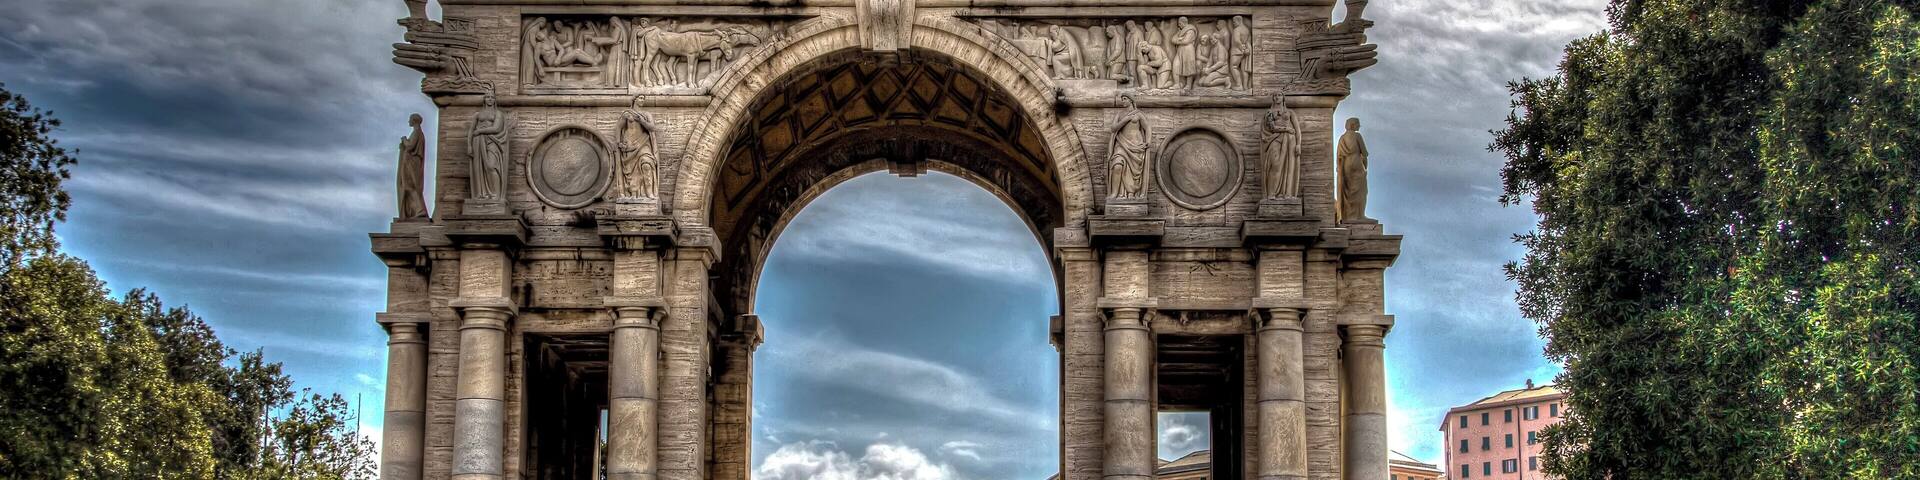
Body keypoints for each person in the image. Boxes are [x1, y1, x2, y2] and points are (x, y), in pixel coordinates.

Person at [469, 94, 511, 201]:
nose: (490, 99)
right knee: (479, 168)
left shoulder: (498, 114)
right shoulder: (478, 114)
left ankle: (496, 194)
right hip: (477, 141)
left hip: (493, 141)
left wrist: (480, 131)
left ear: (495, 100)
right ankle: (482, 194)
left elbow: (496, 128)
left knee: (491, 166)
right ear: (484, 99)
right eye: (487, 97)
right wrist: (469, 145)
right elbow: (471, 130)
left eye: (492, 97)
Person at [1108, 95, 1150, 199]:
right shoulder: (1120, 114)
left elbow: (1148, 127)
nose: (1122, 101)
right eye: (1122, 99)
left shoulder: (1139, 114)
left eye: (1125, 99)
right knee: (1117, 166)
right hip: (1121, 145)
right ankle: (1114, 193)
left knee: (1133, 173)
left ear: (1131, 100)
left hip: (1136, 146)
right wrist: (1126, 119)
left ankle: (1131, 192)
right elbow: (1113, 129)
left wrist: (1148, 140)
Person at [1337, 117, 1373, 222]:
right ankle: (1359, 216)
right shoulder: (1357, 136)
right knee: (1361, 190)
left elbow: (1339, 156)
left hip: (1346, 166)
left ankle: (1348, 216)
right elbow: (1364, 153)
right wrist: (1365, 164)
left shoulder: (1342, 138)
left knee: (1348, 191)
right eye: (1358, 124)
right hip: (1356, 163)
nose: (1358, 127)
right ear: (1353, 125)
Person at [398, 113, 429, 219]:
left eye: (409, 119)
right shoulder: (416, 132)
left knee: (410, 186)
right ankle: (415, 210)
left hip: (411, 162)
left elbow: (410, 146)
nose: (408, 121)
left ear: (414, 120)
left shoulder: (417, 132)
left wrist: (404, 140)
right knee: (408, 186)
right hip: (410, 161)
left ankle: (419, 210)